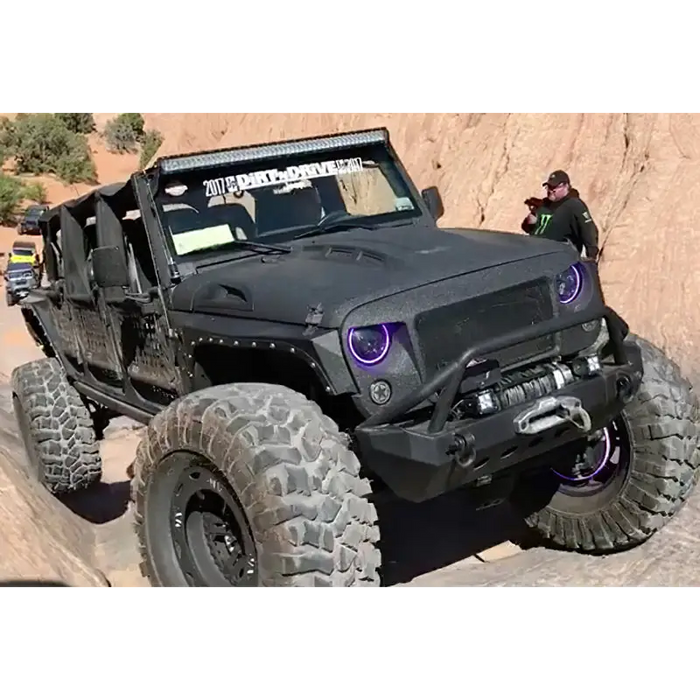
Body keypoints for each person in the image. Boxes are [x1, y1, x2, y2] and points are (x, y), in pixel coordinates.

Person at [521, 170, 600, 261]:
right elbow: (528, 228)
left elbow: (588, 230)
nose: (551, 190)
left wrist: (591, 257)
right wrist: (529, 223)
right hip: (534, 254)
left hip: (557, 258)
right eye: (548, 187)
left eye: (554, 187)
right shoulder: (544, 204)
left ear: (566, 186)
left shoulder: (574, 205)